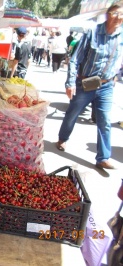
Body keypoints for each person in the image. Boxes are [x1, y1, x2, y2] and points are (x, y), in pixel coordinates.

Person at [56, 3, 123, 170]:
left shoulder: (121, 37)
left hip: (106, 86)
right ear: (108, 15)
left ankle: (103, 157)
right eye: (116, 13)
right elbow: (75, 59)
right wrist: (70, 82)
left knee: (105, 120)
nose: (119, 17)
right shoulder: (92, 32)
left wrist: (116, 76)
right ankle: (63, 138)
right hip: (85, 83)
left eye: (122, 15)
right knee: (73, 112)